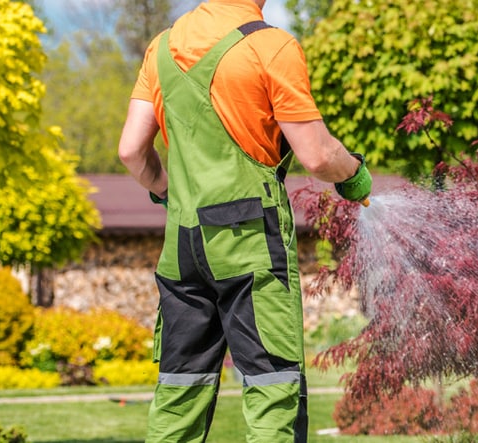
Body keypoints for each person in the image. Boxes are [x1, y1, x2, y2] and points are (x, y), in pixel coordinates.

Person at [117, 0, 372, 441]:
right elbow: (316, 154)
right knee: (273, 386)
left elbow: (131, 151)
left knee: (179, 392)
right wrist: (354, 175)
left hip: (183, 247)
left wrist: (166, 191)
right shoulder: (270, 46)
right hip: (251, 241)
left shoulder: (161, 48)